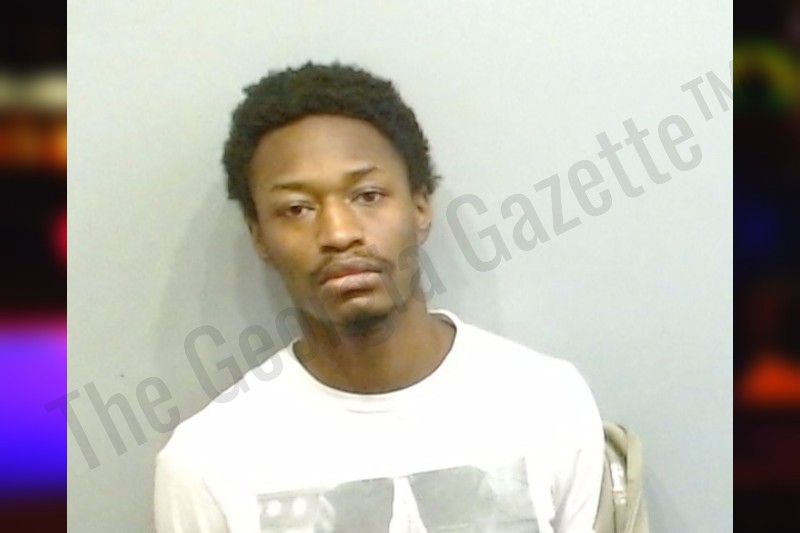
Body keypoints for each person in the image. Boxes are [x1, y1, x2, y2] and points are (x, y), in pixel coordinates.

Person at [154, 62, 604, 533]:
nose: (339, 233)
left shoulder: (547, 403)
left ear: (420, 206)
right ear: (259, 236)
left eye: (368, 195)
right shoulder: (207, 463)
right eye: (297, 208)